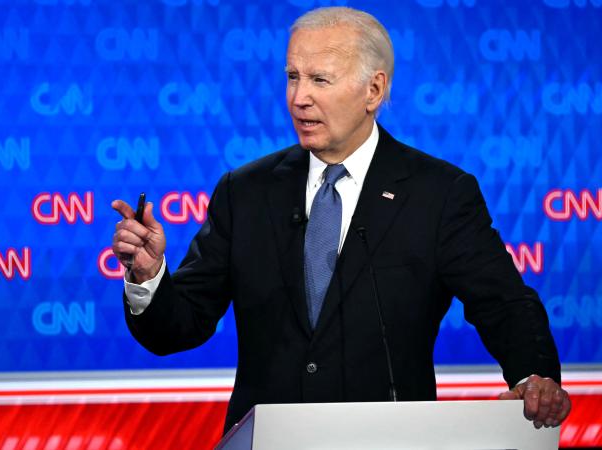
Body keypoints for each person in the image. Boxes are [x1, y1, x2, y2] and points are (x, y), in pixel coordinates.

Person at [111, 6, 571, 434]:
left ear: (374, 89)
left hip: (391, 440)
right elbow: (180, 326)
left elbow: (504, 304)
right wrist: (149, 277)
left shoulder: (438, 194)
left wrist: (534, 376)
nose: (298, 97)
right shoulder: (245, 192)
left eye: (319, 80)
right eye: (292, 77)